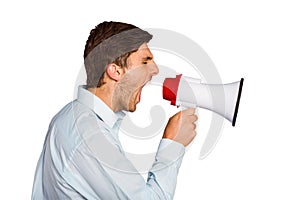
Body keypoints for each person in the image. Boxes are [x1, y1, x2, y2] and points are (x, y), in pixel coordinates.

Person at [31, 21, 198, 200]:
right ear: (115, 70)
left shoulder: (69, 115)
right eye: (145, 61)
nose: (155, 70)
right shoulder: (91, 137)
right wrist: (173, 145)